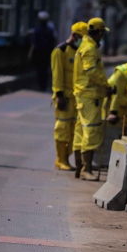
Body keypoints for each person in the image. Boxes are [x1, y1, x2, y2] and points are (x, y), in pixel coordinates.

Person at [73, 17, 112, 181]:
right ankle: (86, 169)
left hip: (84, 94)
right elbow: (92, 72)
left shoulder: (84, 45)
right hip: (90, 95)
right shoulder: (90, 49)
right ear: (100, 32)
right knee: (91, 130)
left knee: (81, 130)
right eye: (102, 33)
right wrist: (106, 85)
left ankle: (79, 167)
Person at [51, 21, 87, 171]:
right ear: (74, 35)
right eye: (81, 38)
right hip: (64, 97)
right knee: (63, 128)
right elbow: (57, 75)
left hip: (76, 98)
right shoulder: (60, 51)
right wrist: (59, 95)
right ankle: (61, 159)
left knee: (74, 131)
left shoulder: (79, 52)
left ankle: (67, 157)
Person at [30, 11, 57, 91]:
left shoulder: (37, 29)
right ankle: (44, 85)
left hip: (39, 52)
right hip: (47, 52)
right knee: (45, 69)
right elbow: (53, 41)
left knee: (39, 69)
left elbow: (34, 42)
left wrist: (30, 53)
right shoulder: (50, 30)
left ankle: (40, 84)